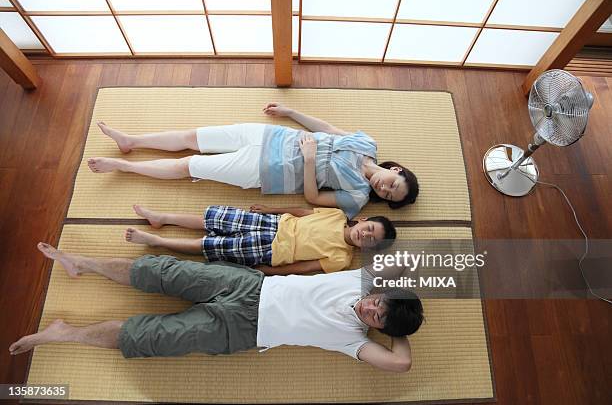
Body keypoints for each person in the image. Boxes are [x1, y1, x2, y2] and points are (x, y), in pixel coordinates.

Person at [9, 243, 424, 373]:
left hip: (239, 332)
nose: (372, 309)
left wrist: (396, 326)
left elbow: (400, 365)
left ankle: (64, 333)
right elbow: (414, 260)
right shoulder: (360, 278)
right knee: (163, 271)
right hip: (248, 285)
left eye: (380, 318)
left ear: (381, 326)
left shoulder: (353, 339)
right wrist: (397, 297)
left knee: (150, 339)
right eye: (381, 304)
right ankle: (83, 263)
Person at [88, 103, 419, 218]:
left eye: (388, 195)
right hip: (270, 136)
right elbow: (329, 129)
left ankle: (124, 166)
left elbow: (313, 198)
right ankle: (132, 141)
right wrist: (290, 113)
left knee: (188, 166)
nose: (384, 188)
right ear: (396, 170)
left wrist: (309, 159)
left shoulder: (358, 198)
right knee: (193, 137)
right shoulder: (367, 143)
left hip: (265, 170)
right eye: (393, 183)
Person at [125, 204, 397, 275]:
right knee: (212, 220)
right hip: (272, 222)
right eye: (370, 228)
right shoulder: (336, 215)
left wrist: (271, 271)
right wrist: (271, 210)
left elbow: (306, 267)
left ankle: (157, 240)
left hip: (270, 250)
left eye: (371, 241)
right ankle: (162, 217)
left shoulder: (343, 259)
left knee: (211, 246)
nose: (366, 235)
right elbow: (302, 212)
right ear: (363, 220)